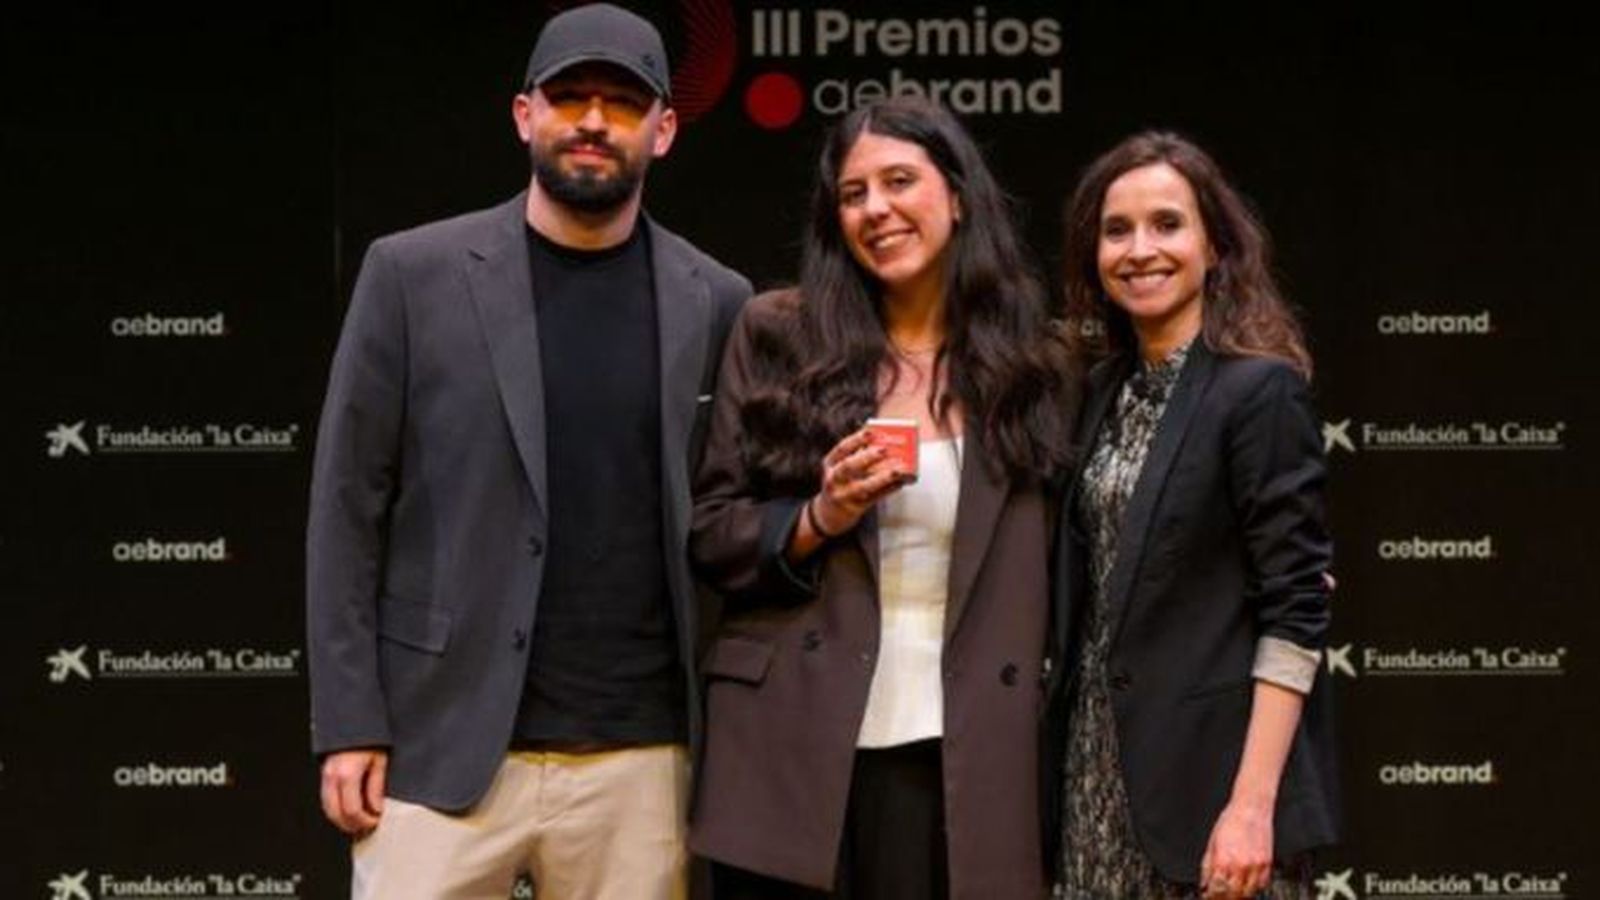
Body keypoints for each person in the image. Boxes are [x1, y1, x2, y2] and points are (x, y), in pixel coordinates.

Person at [305, 5, 750, 898]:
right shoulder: (410, 275)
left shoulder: (719, 299)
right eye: (570, 96)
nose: (593, 120)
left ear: (663, 130)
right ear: (524, 116)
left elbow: (723, 516)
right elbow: (347, 506)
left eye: (622, 103)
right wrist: (350, 721)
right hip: (440, 744)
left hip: (642, 755)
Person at [687, 96, 1075, 900]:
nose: (877, 209)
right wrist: (817, 518)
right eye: (854, 193)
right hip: (789, 749)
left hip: (968, 756)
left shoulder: (1035, 367)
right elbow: (714, 532)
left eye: (900, 180)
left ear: (958, 195)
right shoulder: (776, 333)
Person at [1044, 131, 1339, 899]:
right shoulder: (1099, 393)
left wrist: (1251, 807)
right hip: (1093, 784)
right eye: (1117, 230)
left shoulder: (1258, 392)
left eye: (1167, 224)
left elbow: (1297, 610)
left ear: (1215, 247)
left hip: (1215, 800)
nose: (1141, 249)